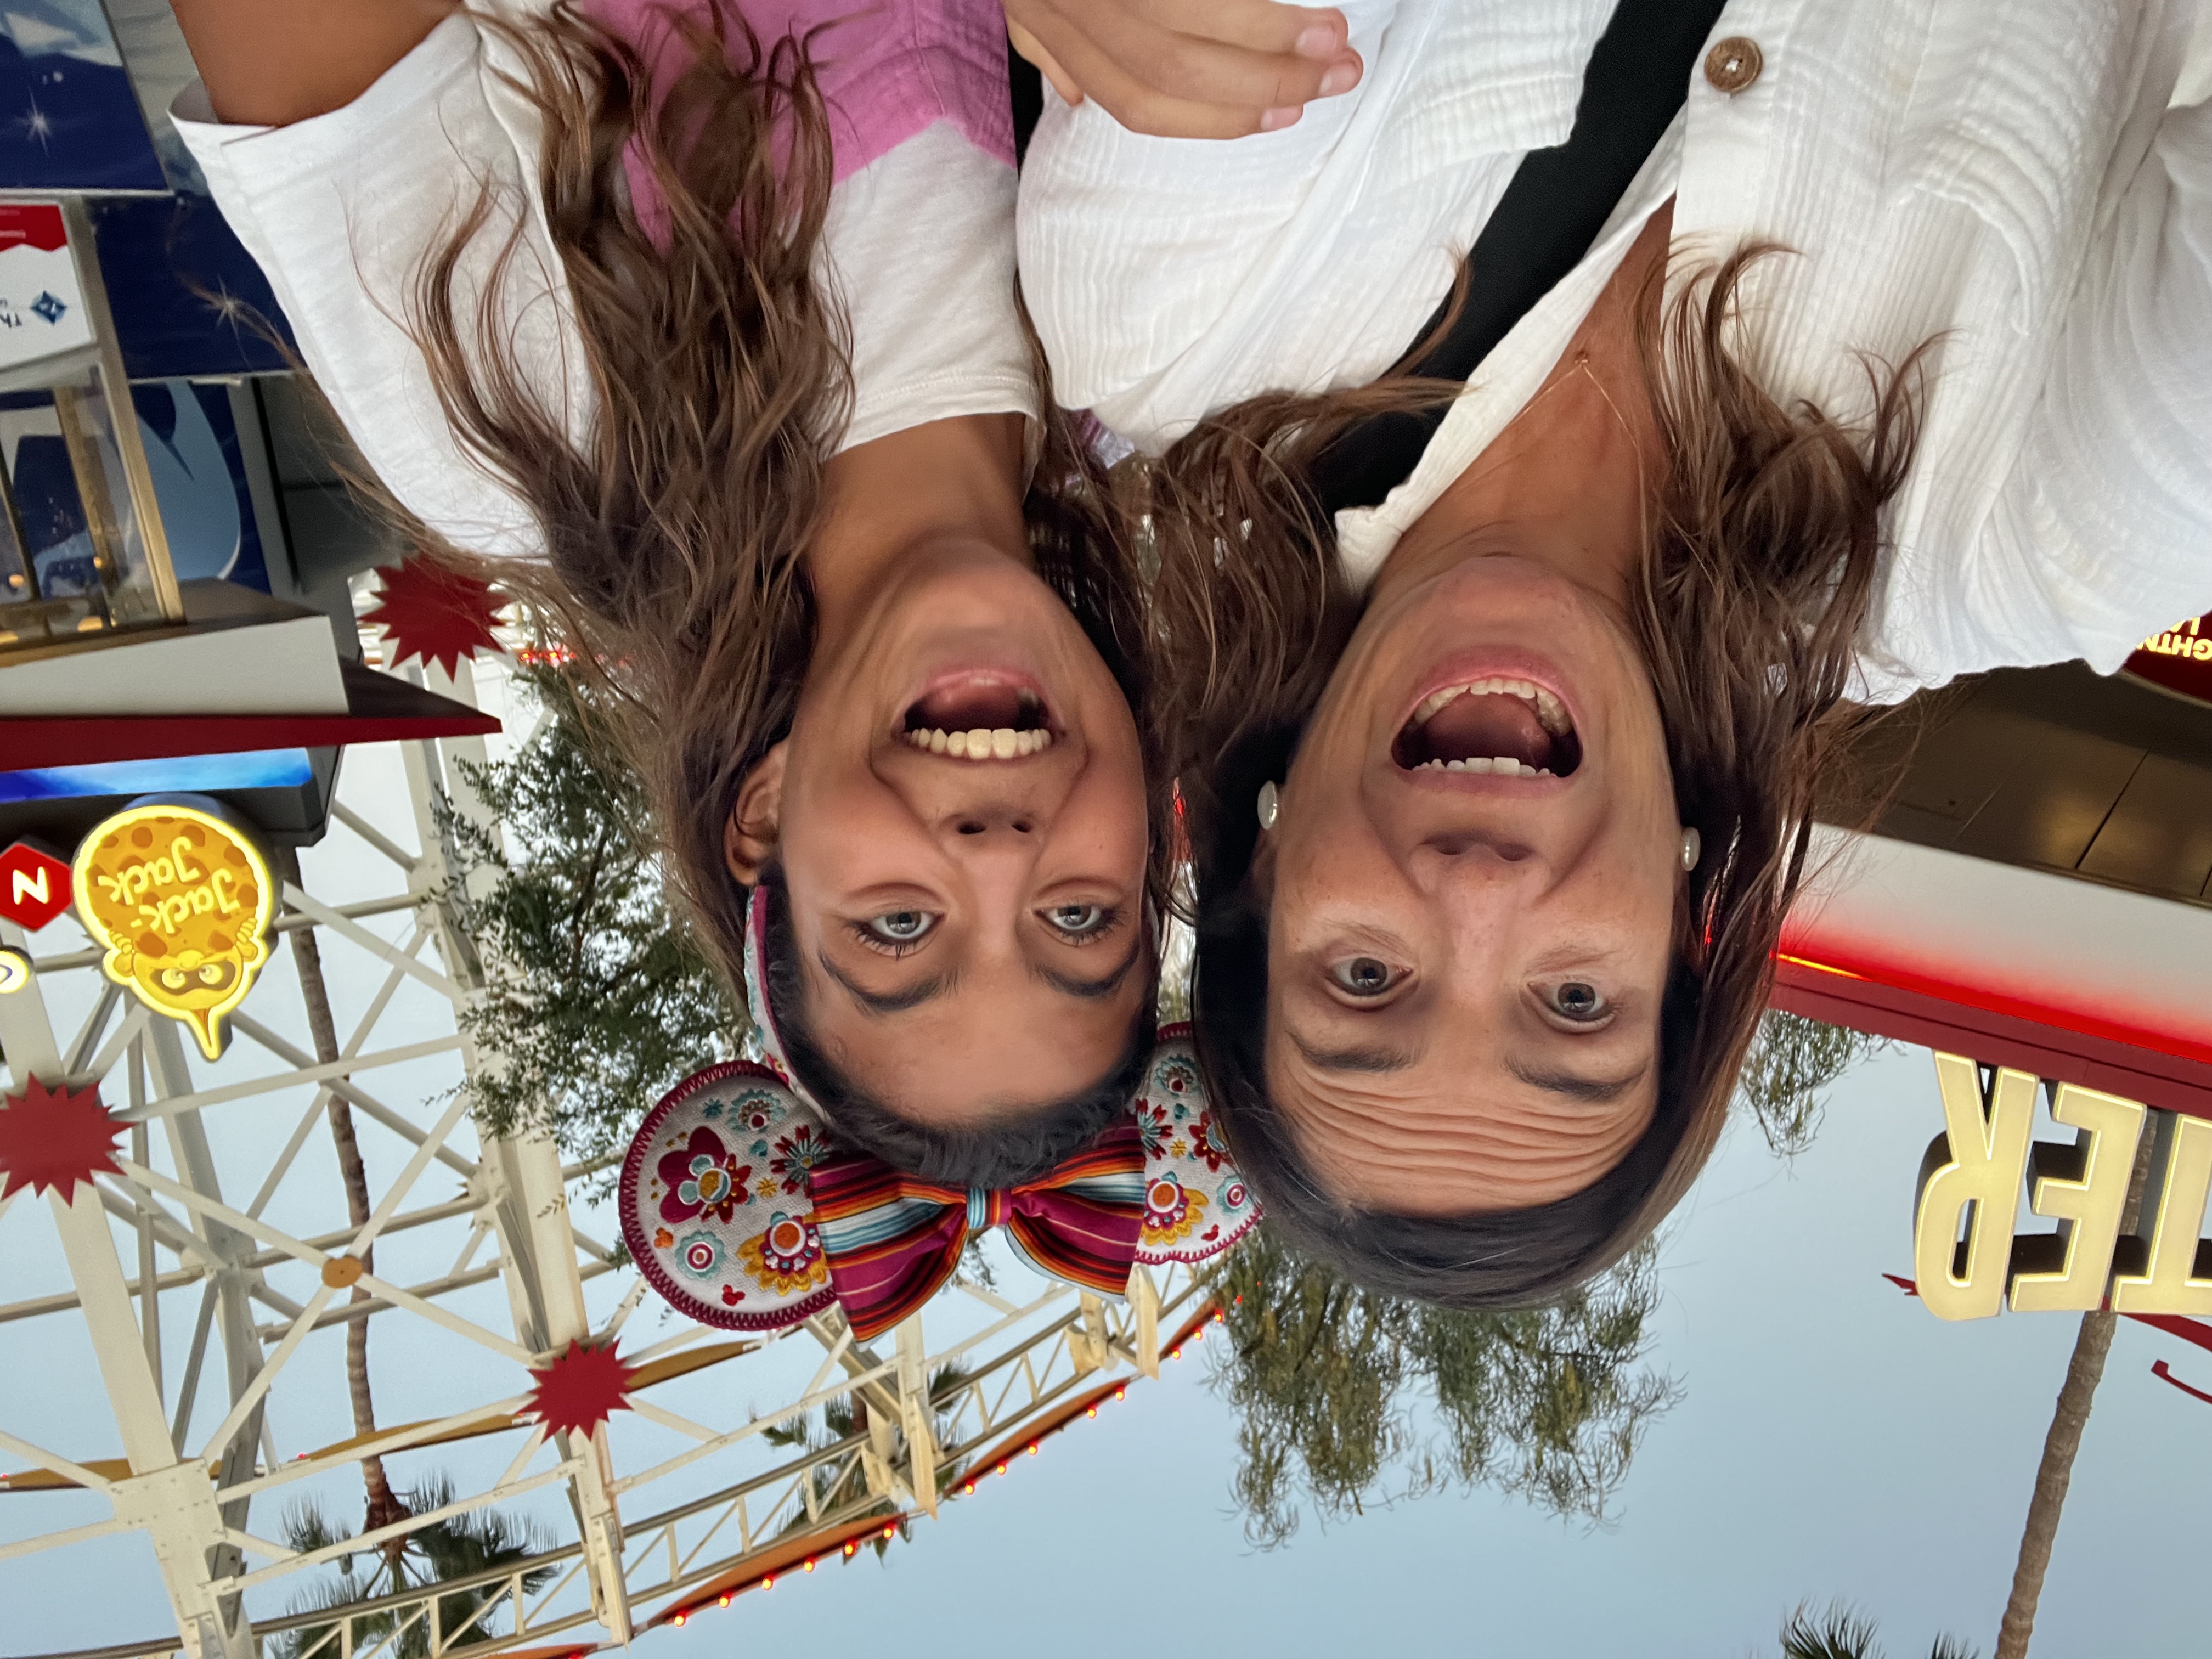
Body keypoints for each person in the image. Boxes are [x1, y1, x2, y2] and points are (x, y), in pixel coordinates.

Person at [1014, 0, 2212, 1303]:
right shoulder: (2004, 540)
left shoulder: (1177, 324)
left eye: (1365, 979)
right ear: (1685, 928)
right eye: (1574, 1007)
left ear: (1266, 851)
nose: (1474, 893)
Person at [163, 0, 1181, 1186]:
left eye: (897, 928)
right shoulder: (1157, 336)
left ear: (764, 813)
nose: (999, 857)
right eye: (1079, 921)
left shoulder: (528, 429)